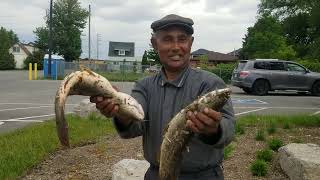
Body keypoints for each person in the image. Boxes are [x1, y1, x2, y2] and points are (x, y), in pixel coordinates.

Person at [90, 14, 235, 180]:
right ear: (154, 44)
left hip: (204, 176)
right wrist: (121, 113)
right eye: (167, 39)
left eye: (182, 39)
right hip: (156, 174)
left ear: (191, 43)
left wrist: (214, 130)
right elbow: (135, 125)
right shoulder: (144, 86)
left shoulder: (211, 83)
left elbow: (229, 128)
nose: (175, 47)